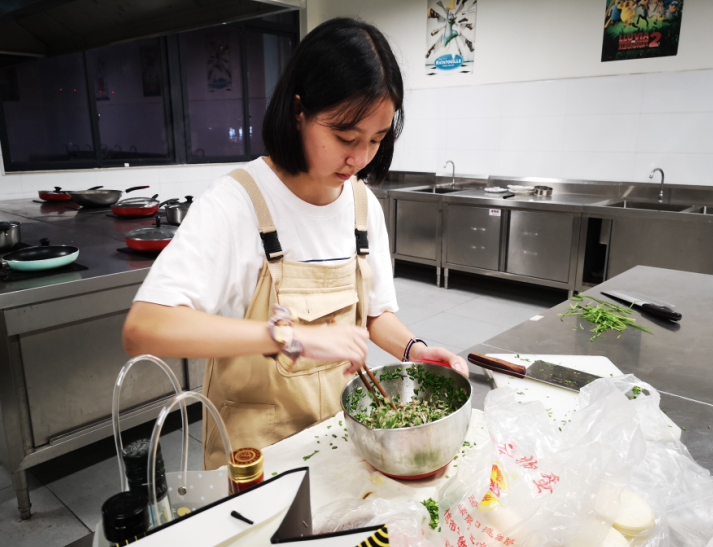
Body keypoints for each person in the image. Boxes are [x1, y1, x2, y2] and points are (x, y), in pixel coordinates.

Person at [123, 18, 470, 470]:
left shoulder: (362, 204)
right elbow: (145, 327)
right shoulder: (237, 202)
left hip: (341, 445)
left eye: (376, 140)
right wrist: (289, 336)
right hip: (255, 460)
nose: (359, 158)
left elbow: (375, 313)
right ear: (298, 110)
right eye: (345, 137)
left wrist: (415, 351)